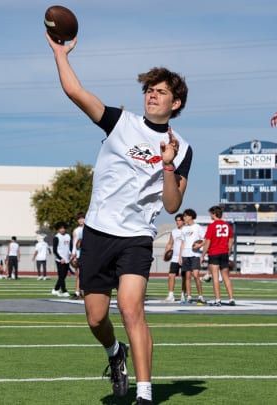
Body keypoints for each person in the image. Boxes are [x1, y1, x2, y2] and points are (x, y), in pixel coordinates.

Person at [47, 32, 191, 405]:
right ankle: (115, 353)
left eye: (160, 91)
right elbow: (76, 92)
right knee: (96, 319)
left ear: (176, 103)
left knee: (131, 308)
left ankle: (145, 394)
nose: (151, 95)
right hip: (98, 233)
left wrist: (168, 163)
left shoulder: (184, 148)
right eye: (149, 89)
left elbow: (173, 205)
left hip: (136, 237)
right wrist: (60, 53)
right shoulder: (119, 121)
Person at [201, 206, 235, 306]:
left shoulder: (211, 226)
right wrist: (228, 251)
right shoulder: (227, 226)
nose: (210, 215)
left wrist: (203, 254)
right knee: (226, 277)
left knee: (215, 277)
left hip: (214, 253)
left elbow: (207, 242)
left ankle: (218, 300)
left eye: (211, 213)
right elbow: (230, 241)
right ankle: (231, 298)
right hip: (224, 252)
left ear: (214, 214)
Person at [180, 209, 205, 303]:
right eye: (183, 216)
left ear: (190, 216)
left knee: (196, 275)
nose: (184, 218)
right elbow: (182, 243)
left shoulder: (197, 227)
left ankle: (200, 296)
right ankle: (189, 296)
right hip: (185, 254)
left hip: (195, 254)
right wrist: (180, 256)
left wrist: (199, 245)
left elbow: (205, 240)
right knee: (187, 276)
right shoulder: (184, 228)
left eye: (185, 216)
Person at [163, 214, 186, 303]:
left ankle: (183, 294)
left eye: (179, 220)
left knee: (184, 277)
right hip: (175, 257)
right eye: (176, 220)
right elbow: (170, 243)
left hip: (184, 257)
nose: (177, 222)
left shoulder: (187, 231)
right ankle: (171, 295)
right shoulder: (174, 231)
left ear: (183, 221)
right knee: (171, 275)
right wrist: (166, 253)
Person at [51, 222, 72, 297]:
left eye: (63, 228)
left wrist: (70, 253)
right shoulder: (56, 237)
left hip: (67, 259)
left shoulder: (68, 236)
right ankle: (60, 290)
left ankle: (59, 290)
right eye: (60, 228)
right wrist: (60, 258)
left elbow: (70, 247)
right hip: (60, 260)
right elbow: (54, 250)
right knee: (61, 276)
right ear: (58, 229)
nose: (62, 229)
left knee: (63, 276)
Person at [71, 212, 85, 298]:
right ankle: (77, 292)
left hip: (89, 255)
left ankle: (85, 291)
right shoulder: (76, 230)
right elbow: (74, 243)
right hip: (80, 255)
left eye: (82, 218)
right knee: (79, 274)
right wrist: (73, 255)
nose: (80, 220)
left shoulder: (90, 229)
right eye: (79, 219)